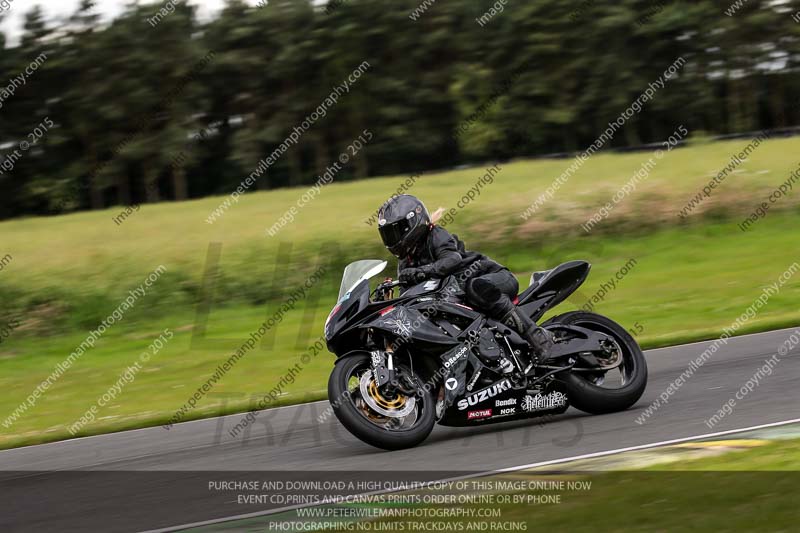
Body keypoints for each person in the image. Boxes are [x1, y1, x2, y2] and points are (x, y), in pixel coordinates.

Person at [376, 194, 553, 362]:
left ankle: (538, 337)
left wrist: (423, 271)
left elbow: (452, 259)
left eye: (396, 231)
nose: (392, 239)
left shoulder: (435, 234)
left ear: (413, 222)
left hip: (495, 279)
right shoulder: (405, 263)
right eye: (387, 234)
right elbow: (409, 297)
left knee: (476, 288)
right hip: (464, 298)